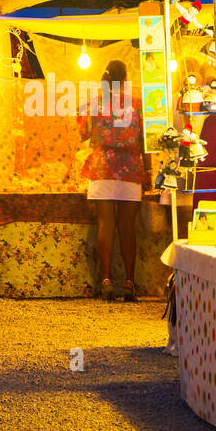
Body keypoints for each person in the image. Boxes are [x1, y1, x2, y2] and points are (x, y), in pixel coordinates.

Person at [77, 60, 143, 301]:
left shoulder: (92, 103)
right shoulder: (136, 103)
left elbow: (83, 134)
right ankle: (129, 281)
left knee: (105, 225)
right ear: (125, 79)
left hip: (102, 167)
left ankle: (105, 280)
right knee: (127, 227)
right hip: (130, 169)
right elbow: (145, 136)